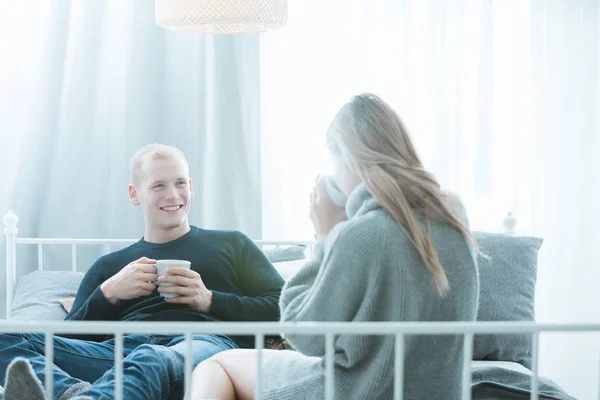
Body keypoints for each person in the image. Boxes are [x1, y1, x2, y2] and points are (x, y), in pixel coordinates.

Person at [191, 93, 481, 400]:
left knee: (216, 364)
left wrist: (325, 236)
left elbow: (303, 334)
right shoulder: (451, 215)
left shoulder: (359, 235)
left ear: (348, 154)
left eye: (334, 159)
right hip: (439, 393)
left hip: (356, 391)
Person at [0, 144, 284, 400]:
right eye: (158, 185)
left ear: (191, 187)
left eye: (180, 183)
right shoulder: (109, 267)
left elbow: (287, 307)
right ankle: (74, 393)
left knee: (152, 357)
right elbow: (70, 339)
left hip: (202, 347)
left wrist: (210, 300)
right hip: (120, 353)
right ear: (134, 194)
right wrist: (107, 295)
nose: (172, 194)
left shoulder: (231, 244)